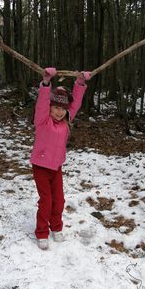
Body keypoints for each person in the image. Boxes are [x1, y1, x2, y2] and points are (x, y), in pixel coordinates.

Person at [30, 67, 91, 250]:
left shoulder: (66, 121)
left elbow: (76, 104)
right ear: (50, 107)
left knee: (60, 200)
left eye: (63, 109)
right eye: (56, 107)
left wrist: (80, 83)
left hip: (56, 168)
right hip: (40, 166)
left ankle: (56, 227)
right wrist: (46, 83)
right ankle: (41, 232)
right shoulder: (42, 120)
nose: (59, 112)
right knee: (46, 200)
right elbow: (42, 102)